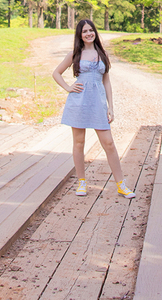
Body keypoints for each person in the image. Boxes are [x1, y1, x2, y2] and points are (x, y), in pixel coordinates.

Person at [52, 19, 136, 198]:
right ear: (80, 35)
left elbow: (106, 80)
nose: (89, 33)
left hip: (98, 103)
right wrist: (68, 87)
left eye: (91, 30)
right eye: (84, 31)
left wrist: (110, 106)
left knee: (109, 143)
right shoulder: (75, 54)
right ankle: (82, 182)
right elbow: (56, 73)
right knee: (79, 143)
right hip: (79, 102)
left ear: (95, 32)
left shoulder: (102, 53)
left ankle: (121, 184)